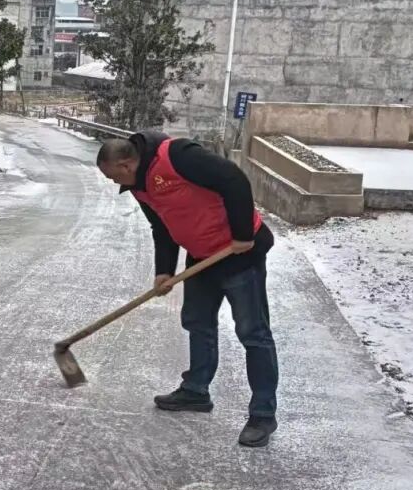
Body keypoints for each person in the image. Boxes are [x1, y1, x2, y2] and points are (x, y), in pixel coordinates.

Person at [96, 132, 279, 447]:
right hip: (202, 257)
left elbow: (234, 179)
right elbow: (161, 227)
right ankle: (196, 390)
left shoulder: (178, 156)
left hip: (240, 254)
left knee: (253, 333)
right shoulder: (139, 186)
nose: (115, 183)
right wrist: (164, 271)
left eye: (114, 176)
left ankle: (263, 414)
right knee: (197, 322)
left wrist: (242, 233)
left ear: (126, 165)